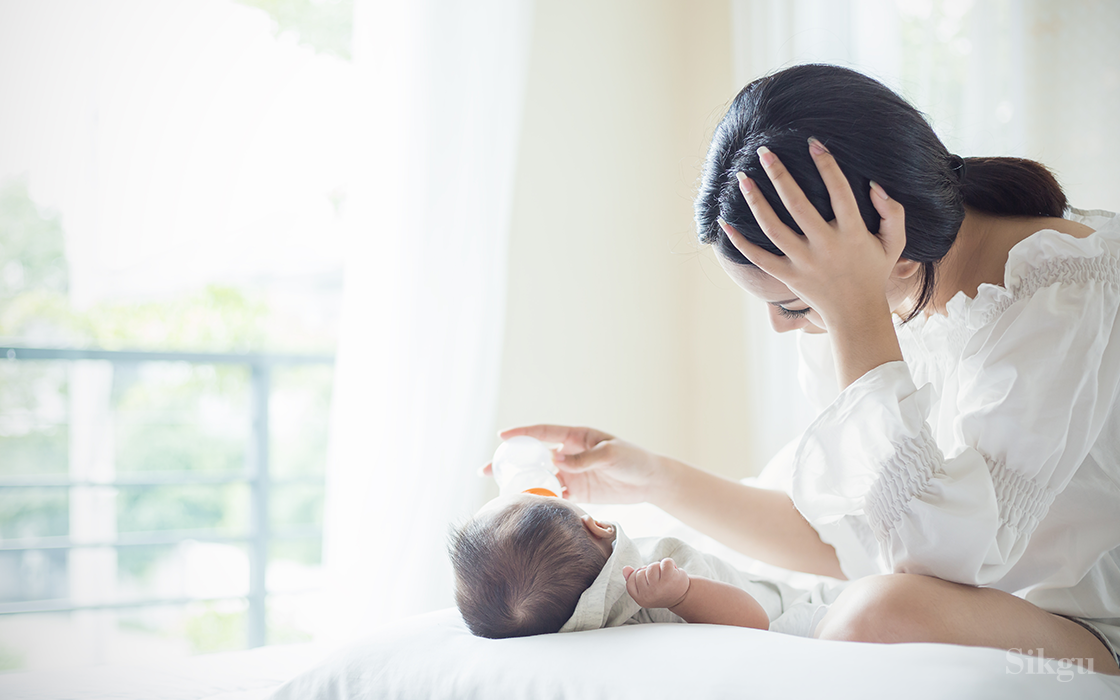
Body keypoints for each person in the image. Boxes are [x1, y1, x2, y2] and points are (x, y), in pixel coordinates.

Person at [488, 64, 1120, 674]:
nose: (782, 327)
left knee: (874, 613)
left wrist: (853, 312)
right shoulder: (875, 297)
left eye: (793, 305)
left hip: (1087, 628)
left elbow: (944, 564)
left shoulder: (1060, 293)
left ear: (893, 249)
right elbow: (846, 542)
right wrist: (654, 477)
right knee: (706, 566)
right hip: (971, 605)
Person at [448, 491, 837, 639]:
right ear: (598, 526)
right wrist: (685, 594)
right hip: (797, 613)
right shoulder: (658, 588)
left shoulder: (566, 620)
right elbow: (755, 625)